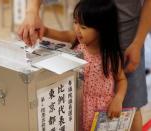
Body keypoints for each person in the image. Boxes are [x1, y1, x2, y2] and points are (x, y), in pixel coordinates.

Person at [18, 0, 151, 130]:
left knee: (134, 108)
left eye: (83, 27)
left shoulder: (110, 56)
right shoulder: (78, 42)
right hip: (78, 105)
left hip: (101, 110)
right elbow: (62, 34)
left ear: (101, 30)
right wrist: (44, 30)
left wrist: (118, 99)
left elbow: (121, 80)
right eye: (75, 22)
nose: (77, 29)